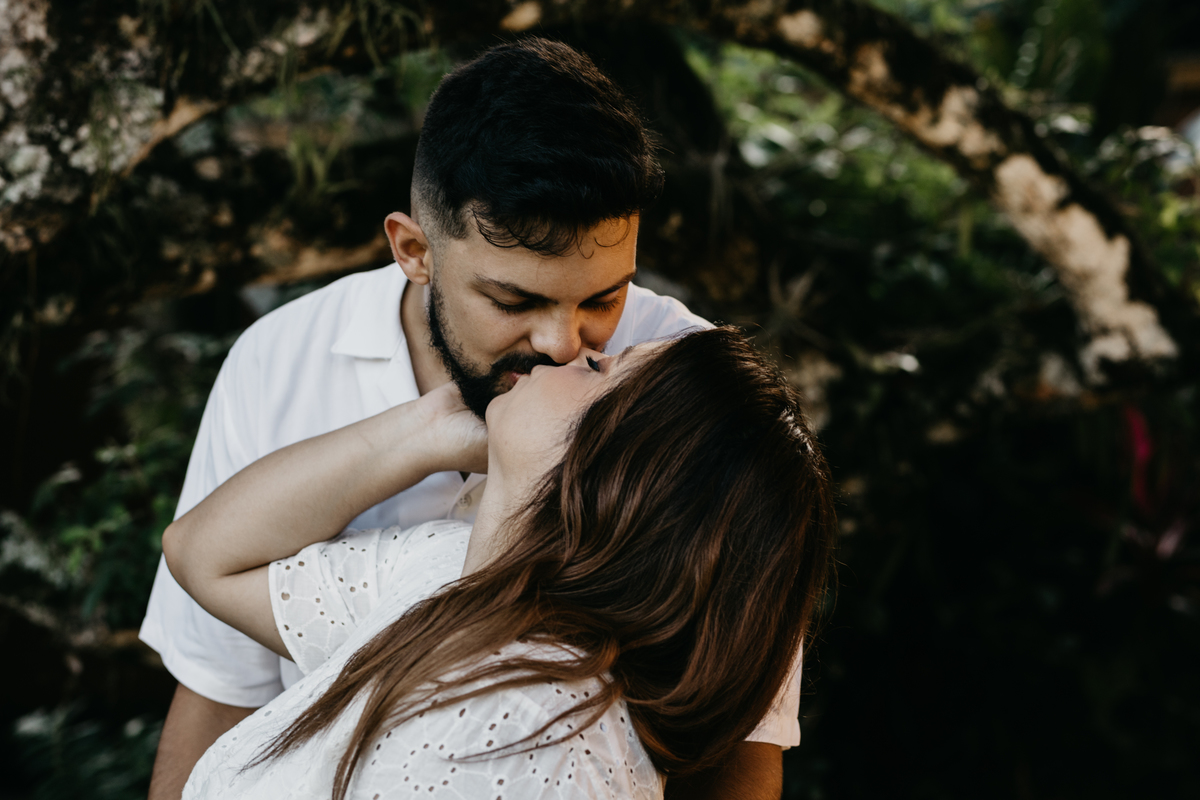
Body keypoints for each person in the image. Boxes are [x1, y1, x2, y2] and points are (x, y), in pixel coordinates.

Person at [141, 38, 802, 799]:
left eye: (603, 298)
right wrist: (434, 430)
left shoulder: (686, 387)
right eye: (514, 300)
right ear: (414, 250)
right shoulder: (281, 360)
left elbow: (741, 748)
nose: (564, 345)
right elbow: (220, 680)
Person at [162, 327, 837, 799]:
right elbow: (201, 555)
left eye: (602, 370)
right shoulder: (452, 575)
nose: (571, 349)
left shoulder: (524, 739)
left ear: (623, 476)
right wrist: (427, 429)